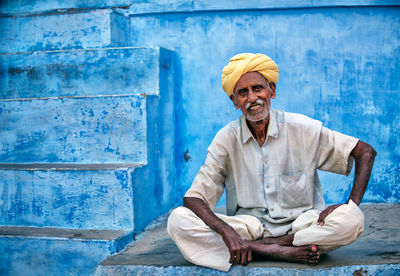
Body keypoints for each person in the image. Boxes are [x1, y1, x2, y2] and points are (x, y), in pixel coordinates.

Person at [167, 53, 376, 272]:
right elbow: (193, 198)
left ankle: (259, 249)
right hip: (248, 228)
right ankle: (267, 248)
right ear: (235, 102)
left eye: (258, 88)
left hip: (302, 226)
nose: (252, 98)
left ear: (272, 91)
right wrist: (228, 233)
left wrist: (348, 205)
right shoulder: (226, 138)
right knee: (178, 221)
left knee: (352, 220)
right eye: (242, 93)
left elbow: (365, 152)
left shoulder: (302, 128)